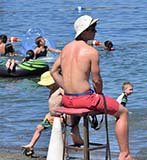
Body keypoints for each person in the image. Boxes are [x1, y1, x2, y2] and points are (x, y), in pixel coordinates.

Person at [50, 15, 133, 160]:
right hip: (85, 99)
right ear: (83, 32)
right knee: (123, 112)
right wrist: (99, 94)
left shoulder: (66, 48)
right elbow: (96, 81)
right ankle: (124, 154)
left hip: (67, 99)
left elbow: (53, 71)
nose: (96, 31)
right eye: (92, 28)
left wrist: (66, 87)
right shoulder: (91, 52)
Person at [22, 71, 83, 155]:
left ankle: (65, 152)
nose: (47, 86)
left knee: (61, 135)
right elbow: (52, 105)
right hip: (51, 116)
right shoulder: (52, 90)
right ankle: (31, 145)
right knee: (39, 128)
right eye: (46, 85)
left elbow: (69, 100)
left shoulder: (61, 89)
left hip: (59, 116)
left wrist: (66, 114)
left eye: (48, 85)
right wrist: (49, 113)